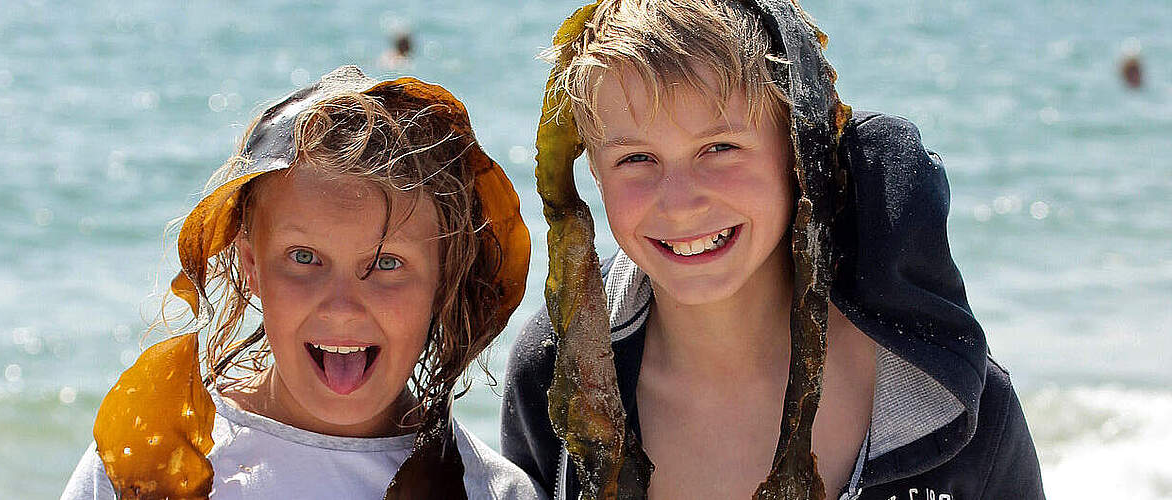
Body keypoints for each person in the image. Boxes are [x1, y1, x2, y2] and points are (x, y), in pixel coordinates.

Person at [501, 1, 1044, 499]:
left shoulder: (948, 399)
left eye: (720, 147)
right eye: (636, 158)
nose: (681, 203)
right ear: (592, 170)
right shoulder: (554, 372)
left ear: (798, 151)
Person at [62, 65, 544, 499]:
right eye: (305, 258)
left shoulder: (488, 492)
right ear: (251, 265)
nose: (342, 307)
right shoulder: (147, 459)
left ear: (445, 278)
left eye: (388, 264)